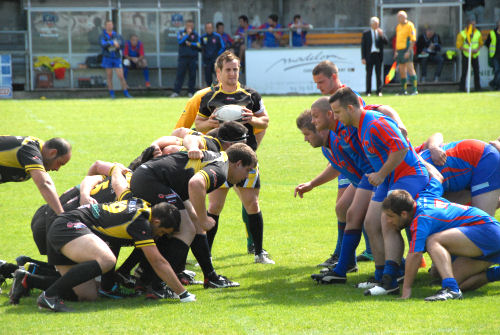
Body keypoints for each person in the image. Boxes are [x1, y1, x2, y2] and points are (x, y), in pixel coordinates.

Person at [328, 87, 429, 296]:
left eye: (337, 113)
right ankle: (380, 274)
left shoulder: (374, 123)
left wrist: (381, 174)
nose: (335, 118)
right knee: (370, 222)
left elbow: (401, 147)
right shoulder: (360, 125)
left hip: (408, 174)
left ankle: (390, 280)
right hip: (389, 177)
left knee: (386, 221)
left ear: (349, 108)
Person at [39, 184, 195, 312]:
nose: (159, 236)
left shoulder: (142, 205)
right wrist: (183, 294)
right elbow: (157, 261)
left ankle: (29, 278)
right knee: (106, 260)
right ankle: (49, 297)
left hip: (64, 227)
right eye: (161, 232)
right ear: (156, 221)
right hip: (67, 227)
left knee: (88, 295)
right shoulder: (141, 222)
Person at [130, 144, 257, 288]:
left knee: (194, 223)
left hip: (150, 177)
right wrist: (204, 219)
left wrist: (200, 219)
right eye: (247, 171)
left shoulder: (220, 159)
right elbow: (196, 184)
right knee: (187, 230)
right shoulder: (221, 169)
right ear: (238, 164)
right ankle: (156, 284)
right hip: (151, 180)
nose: (246, 176)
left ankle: (210, 277)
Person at [193, 51, 273, 264]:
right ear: (218, 72)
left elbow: (265, 121)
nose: (232, 73)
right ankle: (206, 254)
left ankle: (259, 253)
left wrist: (253, 119)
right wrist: (210, 122)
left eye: (235, 69)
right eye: (228, 70)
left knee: (252, 204)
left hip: (245, 159)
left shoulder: (251, 95)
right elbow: (198, 125)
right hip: (218, 158)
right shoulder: (208, 97)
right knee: (215, 206)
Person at [382, 178, 500, 301]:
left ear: (404, 214)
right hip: (484, 235)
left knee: (433, 241)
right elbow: (437, 177)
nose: (388, 221)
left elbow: (415, 254)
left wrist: (406, 290)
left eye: (391, 216)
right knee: (454, 280)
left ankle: (451, 289)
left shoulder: (421, 218)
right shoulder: (425, 195)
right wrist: (423, 162)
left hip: (487, 231)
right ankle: (495, 274)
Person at [295, 105, 376, 283]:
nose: (306, 140)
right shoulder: (326, 147)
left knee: (365, 219)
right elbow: (336, 165)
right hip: (363, 179)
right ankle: (346, 262)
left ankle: (388, 269)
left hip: (372, 178)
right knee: (343, 208)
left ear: (320, 129)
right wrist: (312, 184)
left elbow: (365, 163)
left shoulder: (341, 140)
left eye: (307, 134)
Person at [0, 136, 71, 215]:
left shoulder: (36, 150)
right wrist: (61, 215)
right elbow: (44, 184)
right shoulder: (29, 149)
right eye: (59, 163)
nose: (57, 169)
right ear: (52, 153)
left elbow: (47, 181)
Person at [99, 20, 131, 98]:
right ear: (105, 26)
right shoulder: (102, 35)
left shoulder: (117, 35)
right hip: (107, 58)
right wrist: (112, 43)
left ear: (113, 26)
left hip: (116, 57)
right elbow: (103, 44)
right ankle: (112, 94)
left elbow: (122, 44)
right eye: (108, 25)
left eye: (111, 25)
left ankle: (126, 93)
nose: (109, 26)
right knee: (109, 76)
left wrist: (118, 45)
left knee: (121, 76)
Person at [171, 19, 201, 98]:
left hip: (193, 58)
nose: (190, 27)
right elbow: (180, 42)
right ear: (185, 25)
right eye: (188, 25)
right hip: (183, 58)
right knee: (180, 75)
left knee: (192, 75)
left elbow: (199, 44)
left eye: (191, 25)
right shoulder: (181, 33)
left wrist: (191, 43)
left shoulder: (196, 34)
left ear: (193, 26)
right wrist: (187, 35)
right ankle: (176, 92)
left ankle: (191, 92)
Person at [361, 17, 387, 96]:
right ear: (371, 24)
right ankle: (368, 91)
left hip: (378, 55)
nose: (377, 25)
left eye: (378, 24)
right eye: (375, 24)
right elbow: (363, 46)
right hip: (369, 55)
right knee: (369, 74)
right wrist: (363, 57)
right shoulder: (366, 33)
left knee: (378, 74)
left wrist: (382, 35)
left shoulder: (380, 32)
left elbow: (386, 42)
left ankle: (379, 91)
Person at [394, 11, 418, 95]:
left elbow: (413, 40)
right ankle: (404, 90)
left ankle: (415, 90)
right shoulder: (398, 27)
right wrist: (396, 51)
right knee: (402, 71)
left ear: (404, 17)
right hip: (400, 51)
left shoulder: (410, 25)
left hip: (407, 50)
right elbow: (397, 39)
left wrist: (408, 51)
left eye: (399, 17)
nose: (398, 19)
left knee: (410, 69)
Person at [457, 19, 483, 92]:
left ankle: (477, 88)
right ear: (468, 25)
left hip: (475, 55)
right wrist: (467, 50)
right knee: (464, 72)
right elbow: (459, 45)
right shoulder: (462, 34)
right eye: (472, 24)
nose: (474, 26)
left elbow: (481, 43)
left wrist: (477, 49)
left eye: (474, 24)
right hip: (466, 55)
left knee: (476, 71)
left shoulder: (478, 33)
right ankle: (462, 88)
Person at [201, 22, 225, 87]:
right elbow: (200, 47)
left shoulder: (217, 36)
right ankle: (210, 92)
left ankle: (219, 91)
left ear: (213, 28)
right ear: (205, 29)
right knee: (208, 78)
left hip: (216, 61)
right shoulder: (203, 37)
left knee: (218, 77)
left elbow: (223, 47)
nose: (209, 29)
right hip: (207, 61)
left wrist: (217, 54)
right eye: (207, 28)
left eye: (210, 28)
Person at [485, 20, 500, 90]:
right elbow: (487, 43)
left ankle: (493, 83)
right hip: (495, 56)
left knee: (498, 72)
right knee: (497, 70)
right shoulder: (492, 33)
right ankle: (496, 85)